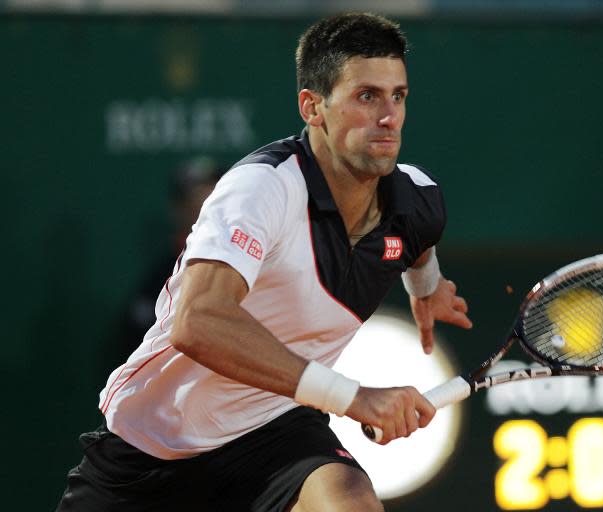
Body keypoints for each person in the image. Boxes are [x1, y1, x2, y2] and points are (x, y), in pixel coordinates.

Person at [57, 12, 472, 512]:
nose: (388, 116)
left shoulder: (417, 199)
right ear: (312, 106)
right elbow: (198, 322)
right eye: (367, 96)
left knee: (350, 503)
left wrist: (426, 286)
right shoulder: (261, 188)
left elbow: (419, 240)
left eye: (398, 95)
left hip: (277, 432)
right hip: (150, 452)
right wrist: (354, 397)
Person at [110, 157, 225, 371]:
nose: (205, 208)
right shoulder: (158, 282)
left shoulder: (254, 267)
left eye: (214, 197)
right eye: (196, 200)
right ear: (177, 209)